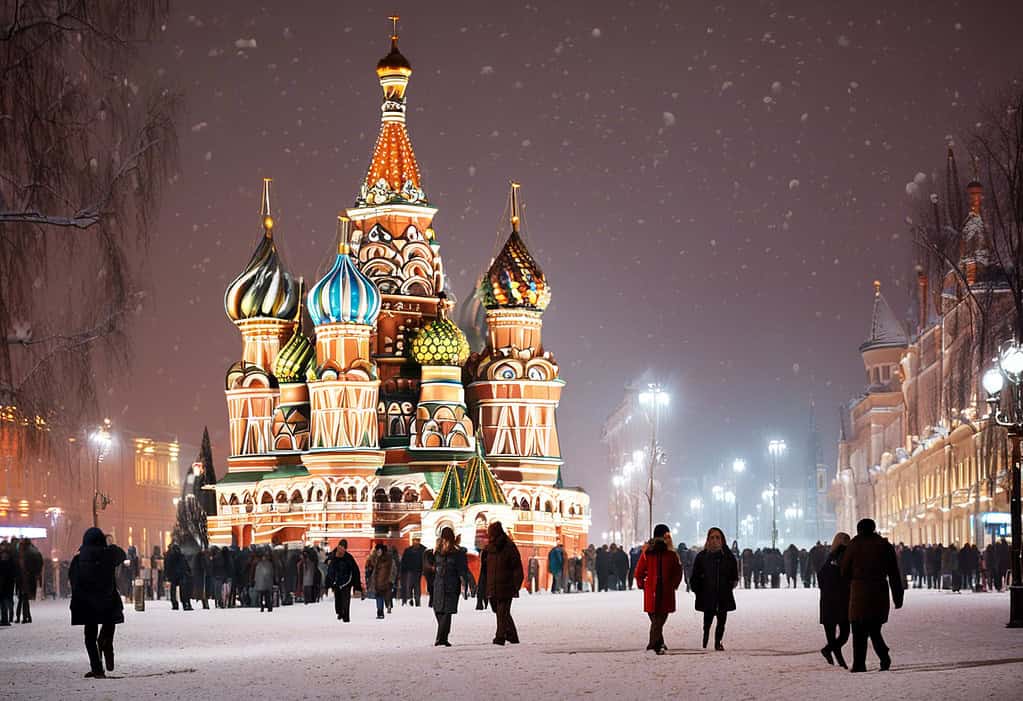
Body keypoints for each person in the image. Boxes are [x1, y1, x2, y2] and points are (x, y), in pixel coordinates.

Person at [840, 518, 904, 672]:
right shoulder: (884, 545)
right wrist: (898, 596)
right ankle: (883, 656)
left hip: (859, 593)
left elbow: (844, 571)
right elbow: (894, 573)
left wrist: (848, 586)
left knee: (858, 630)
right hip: (879, 592)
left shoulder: (853, 545)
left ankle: (859, 664)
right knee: (874, 628)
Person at [70, 528, 126, 679]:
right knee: (109, 623)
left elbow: (73, 580)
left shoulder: (78, 559)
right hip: (107, 600)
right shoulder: (108, 555)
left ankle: (97, 669)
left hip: (87, 603)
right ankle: (107, 644)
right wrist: (109, 545)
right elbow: (122, 554)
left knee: (89, 637)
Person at [634, 523, 683, 655]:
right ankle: (654, 645)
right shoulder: (649, 554)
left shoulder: (666, 555)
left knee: (658, 622)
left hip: (661, 593)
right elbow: (639, 572)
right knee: (657, 622)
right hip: (654, 593)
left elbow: (677, 572)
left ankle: (656, 643)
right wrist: (645, 584)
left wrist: (672, 585)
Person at [690, 527, 738, 651]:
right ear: (708, 539)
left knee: (721, 622)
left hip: (723, 595)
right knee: (707, 622)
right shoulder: (702, 556)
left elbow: (734, 574)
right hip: (707, 595)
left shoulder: (728, 556)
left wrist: (730, 585)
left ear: (722, 540)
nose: (715, 540)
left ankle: (718, 642)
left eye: (718, 537)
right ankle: (705, 639)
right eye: (712, 537)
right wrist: (697, 589)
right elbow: (695, 576)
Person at [485, 521, 523, 645]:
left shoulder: (509, 547)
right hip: (493, 586)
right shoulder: (489, 548)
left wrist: (515, 585)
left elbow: (517, 567)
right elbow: (486, 569)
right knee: (500, 612)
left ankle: (500, 637)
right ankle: (512, 635)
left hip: (506, 586)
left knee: (502, 612)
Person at [818, 532, 851, 668]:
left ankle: (831, 653)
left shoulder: (829, 557)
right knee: (844, 633)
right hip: (841, 598)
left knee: (834, 634)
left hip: (828, 599)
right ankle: (837, 659)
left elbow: (821, 576)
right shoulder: (844, 555)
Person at [432, 527, 468, 646]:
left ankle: (441, 638)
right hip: (438, 584)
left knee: (447, 612)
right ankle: (443, 637)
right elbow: (431, 567)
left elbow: (463, 570)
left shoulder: (458, 553)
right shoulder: (436, 551)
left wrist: (466, 583)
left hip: (451, 585)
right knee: (438, 611)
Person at [325, 540, 361, 622]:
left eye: (343, 547)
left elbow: (355, 571)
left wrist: (357, 586)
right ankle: (341, 613)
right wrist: (328, 583)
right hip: (337, 582)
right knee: (339, 599)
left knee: (345, 599)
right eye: (340, 547)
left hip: (346, 582)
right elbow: (329, 571)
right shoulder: (333, 556)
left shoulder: (348, 558)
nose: (341, 549)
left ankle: (345, 615)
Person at [16, 538, 43, 623]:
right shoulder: (35, 551)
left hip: (24, 578)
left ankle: (24, 617)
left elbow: (21, 567)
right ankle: (27, 616)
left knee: (23, 598)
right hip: (31, 577)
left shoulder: (24, 553)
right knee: (25, 598)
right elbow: (40, 563)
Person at [400, 538, 426, 607]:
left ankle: (417, 601)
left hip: (418, 571)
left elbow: (424, 561)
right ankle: (410, 600)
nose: (415, 542)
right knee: (410, 586)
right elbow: (404, 561)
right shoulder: (408, 550)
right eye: (414, 541)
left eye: (417, 541)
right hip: (410, 571)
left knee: (416, 586)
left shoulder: (423, 550)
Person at [371, 543, 394, 619]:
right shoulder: (376, 559)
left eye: (379, 550)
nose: (378, 552)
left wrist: (391, 580)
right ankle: (380, 612)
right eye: (377, 550)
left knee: (385, 596)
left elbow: (392, 570)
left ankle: (386, 607)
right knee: (379, 597)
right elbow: (375, 572)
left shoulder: (388, 559)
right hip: (378, 582)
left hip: (385, 581)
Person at [0, 540, 16, 625]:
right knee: (7, 600)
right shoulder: (11, 557)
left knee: (4, 601)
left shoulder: (6, 558)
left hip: (5, 582)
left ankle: (5, 619)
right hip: (8, 582)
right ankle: (8, 617)